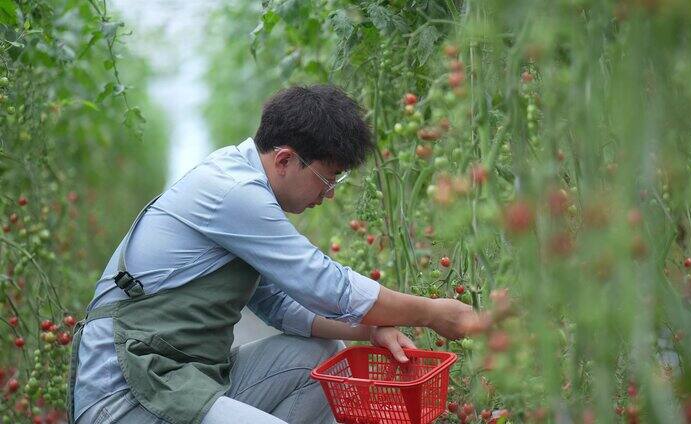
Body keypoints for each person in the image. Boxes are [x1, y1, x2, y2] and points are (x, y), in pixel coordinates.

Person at [68, 85, 478, 424]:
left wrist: (368, 331)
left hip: (179, 378)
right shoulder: (233, 191)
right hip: (125, 395)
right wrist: (432, 312)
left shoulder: (242, 184)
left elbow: (278, 306)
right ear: (284, 159)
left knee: (317, 359)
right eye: (327, 178)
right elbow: (326, 285)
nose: (328, 193)